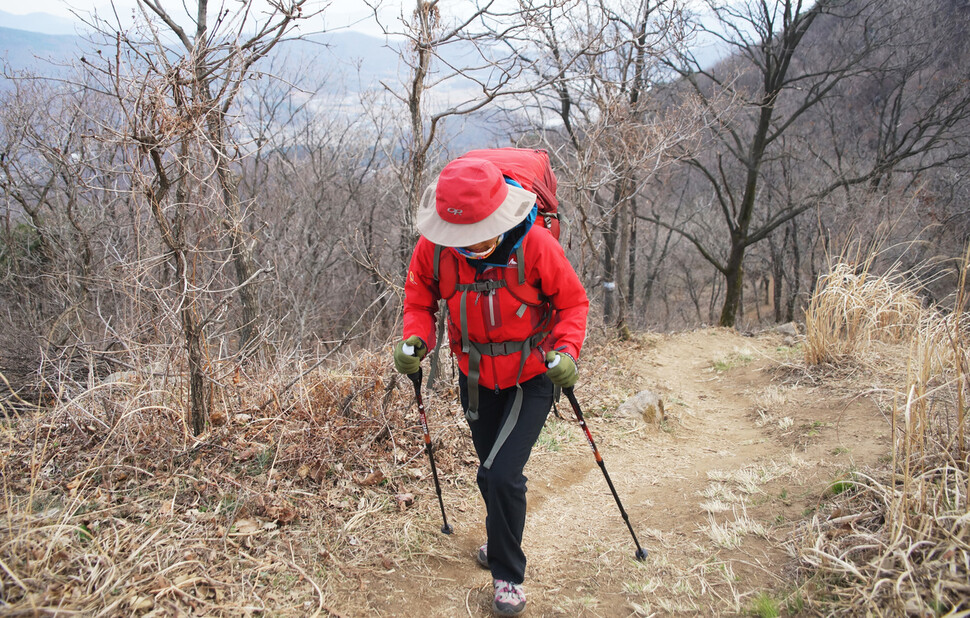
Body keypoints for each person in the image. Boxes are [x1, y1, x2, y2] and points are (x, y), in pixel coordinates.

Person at [392, 157, 589, 616]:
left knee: (500, 475)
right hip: (475, 376)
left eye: (476, 234)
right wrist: (415, 337)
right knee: (491, 471)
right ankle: (499, 537)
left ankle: (507, 576)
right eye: (458, 236)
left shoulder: (535, 245)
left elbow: (573, 303)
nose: (466, 245)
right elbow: (420, 294)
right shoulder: (436, 248)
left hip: (533, 376)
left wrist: (567, 354)